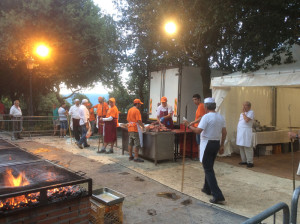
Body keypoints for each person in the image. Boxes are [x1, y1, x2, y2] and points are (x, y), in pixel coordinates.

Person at [187, 97, 226, 204]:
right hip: (216, 143)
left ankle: (217, 195)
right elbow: (224, 132)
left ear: (206, 106)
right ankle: (207, 188)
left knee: (208, 169)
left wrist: (189, 126)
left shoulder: (207, 117)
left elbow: (198, 131)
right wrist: (222, 145)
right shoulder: (220, 117)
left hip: (207, 144)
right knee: (209, 166)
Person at [236, 101, 255, 168]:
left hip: (246, 131)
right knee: (241, 146)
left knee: (247, 146)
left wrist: (244, 113)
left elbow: (246, 120)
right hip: (240, 131)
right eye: (243, 105)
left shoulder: (251, 112)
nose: (243, 107)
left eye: (245, 105)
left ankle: (250, 161)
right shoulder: (242, 113)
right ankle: (244, 160)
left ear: (249, 106)